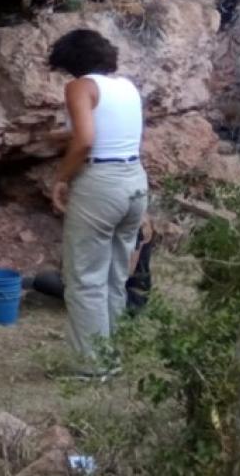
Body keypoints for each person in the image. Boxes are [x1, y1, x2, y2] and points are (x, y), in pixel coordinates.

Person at [47, 28, 148, 377]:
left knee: (85, 277)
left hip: (101, 184)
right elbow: (111, 130)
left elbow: (86, 140)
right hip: (134, 179)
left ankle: (90, 366)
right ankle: (111, 355)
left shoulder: (79, 87)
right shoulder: (126, 87)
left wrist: (60, 178)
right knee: (115, 274)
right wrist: (64, 133)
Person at [30, 216, 155, 316]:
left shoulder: (136, 222)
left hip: (126, 294)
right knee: (45, 279)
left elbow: (126, 271)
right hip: (97, 284)